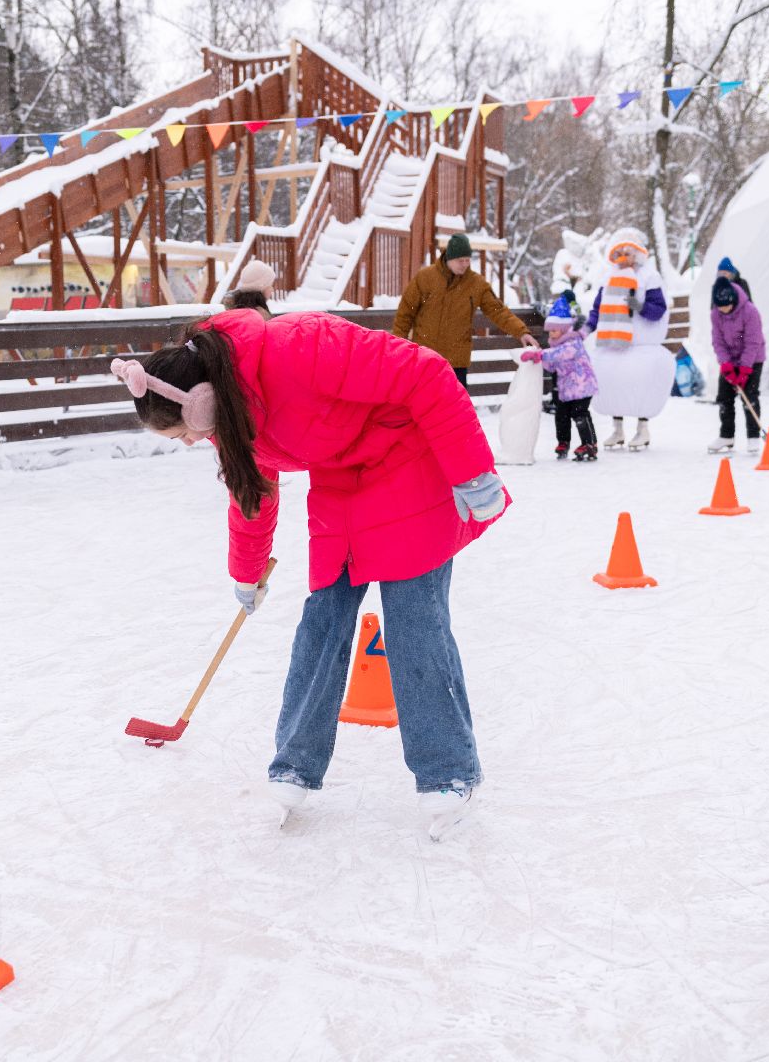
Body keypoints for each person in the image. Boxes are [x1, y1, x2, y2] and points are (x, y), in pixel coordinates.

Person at [111, 308, 507, 841]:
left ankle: (448, 772)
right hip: (342, 480)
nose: (186, 441)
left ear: (200, 402)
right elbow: (252, 490)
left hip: (409, 457)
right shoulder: (226, 410)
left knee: (415, 621)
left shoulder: (299, 350)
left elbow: (426, 372)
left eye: (181, 432)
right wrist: (246, 573)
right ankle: (294, 764)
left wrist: (471, 470)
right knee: (321, 621)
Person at [393, 234, 537, 387]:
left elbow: (498, 311)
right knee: (423, 406)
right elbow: (405, 314)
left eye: (467, 260)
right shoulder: (425, 278)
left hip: (457, 362)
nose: (464, 264)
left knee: (456, 409)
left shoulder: (476, 284)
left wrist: (521, 332)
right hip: (426, 358)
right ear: (449, 258)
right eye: (460, 260)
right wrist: (398, 347)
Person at [581, 228, 674, 450]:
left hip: (641, 345)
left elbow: (658, 309)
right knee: (612, 384)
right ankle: (618, 428)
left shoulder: (649, 278)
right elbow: (598, 309)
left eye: (629, 253)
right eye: (620, 252)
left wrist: (640, 306)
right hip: (612, 344)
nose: (624, 257)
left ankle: (642, 428)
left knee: (640, 385)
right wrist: (586, 328)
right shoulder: (609, 278)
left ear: (638, 254)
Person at [520, 294, 599, 461]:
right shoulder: (555, 344)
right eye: (550, 330)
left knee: (580, 413)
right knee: (561, 413)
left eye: (554, 330)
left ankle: (589, 443)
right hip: (567, 388)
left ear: (563, 329)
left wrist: (541, 355)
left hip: (583, 386)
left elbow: (561, 355)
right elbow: (553, 364)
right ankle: (563, 441)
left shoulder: (573, 341)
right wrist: (539, 359)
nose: (552, 334)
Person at [707, 277, 767, 454]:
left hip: (753, 359)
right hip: (730, 360)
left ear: (733, 300)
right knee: (724, 397)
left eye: (726, 306)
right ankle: (727, 436)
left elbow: (753, 342)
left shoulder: (750, 311)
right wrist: (726, 364)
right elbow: (718, 341)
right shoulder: (715, 314)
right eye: (720, 306)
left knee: (750, 396)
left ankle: (753, 437)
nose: (723, 310)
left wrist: (744, 370)